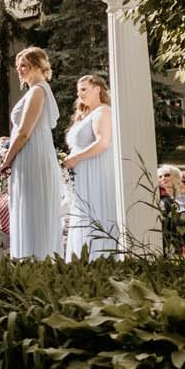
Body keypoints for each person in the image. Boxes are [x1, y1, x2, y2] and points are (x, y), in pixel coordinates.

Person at [4, 46, 64, 259]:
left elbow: (23, 132)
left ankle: (36, 257)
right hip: (30, 154)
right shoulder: (36, 90)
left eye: (25, 65)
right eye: (18, 66)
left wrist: (6, 160)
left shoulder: (38, 91)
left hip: (33, 155)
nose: (19, 70)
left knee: (33, 209)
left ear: (38, 66)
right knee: (28, 209)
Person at [63, 73, 120, 259]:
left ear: (98, 89)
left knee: (95, 214)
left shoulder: (103, 112)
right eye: (78, 91)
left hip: (96, 172)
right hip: (83, 174)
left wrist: (76, 158)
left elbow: (103, 143)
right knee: (83, 216)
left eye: (84, 89)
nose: (80, 94)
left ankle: (100, 257)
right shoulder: (86, 115)